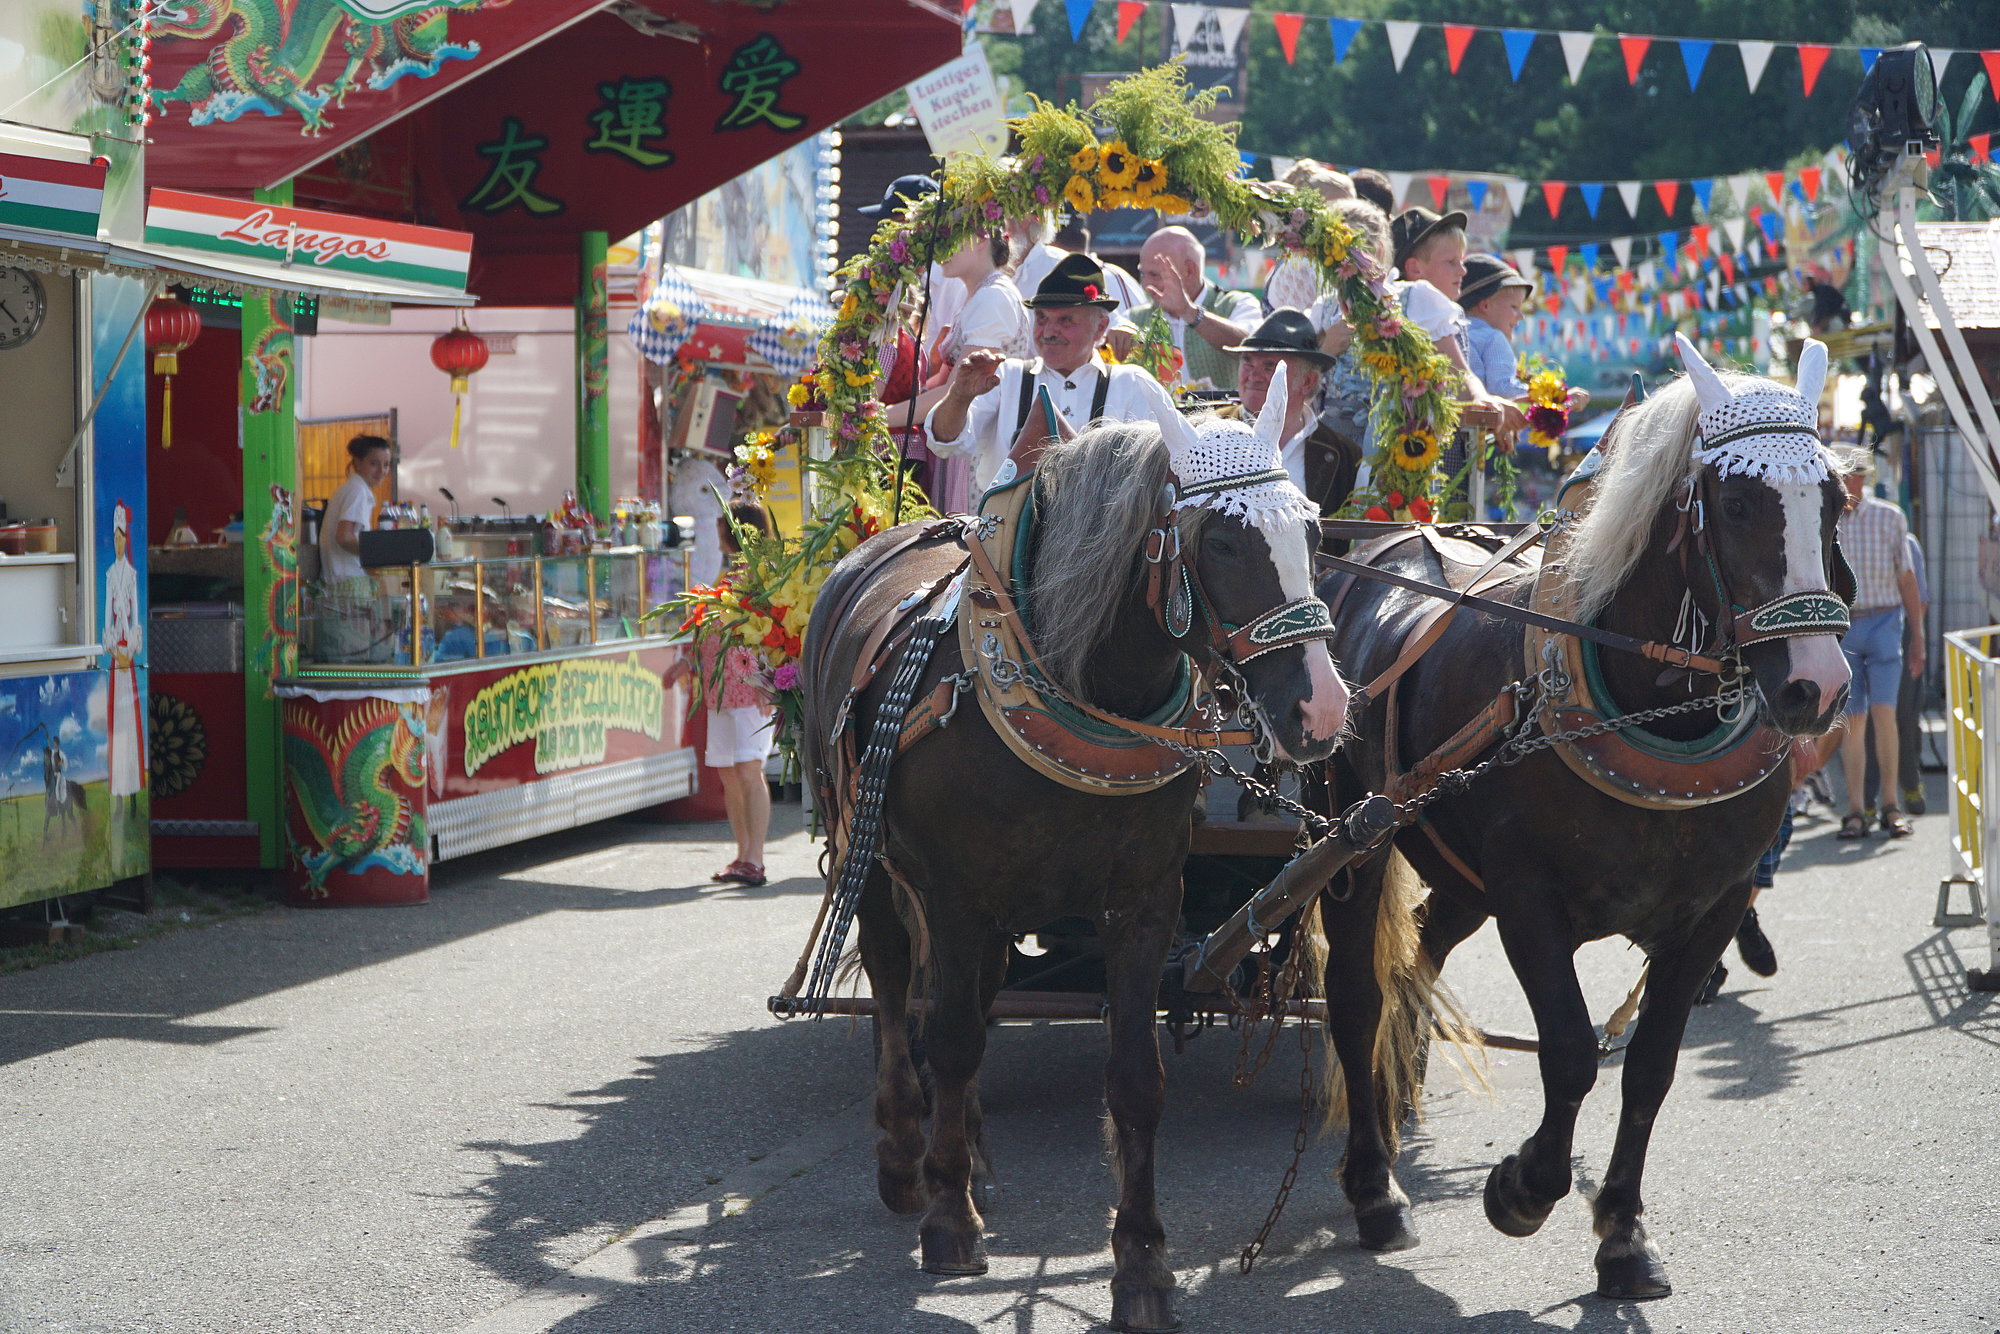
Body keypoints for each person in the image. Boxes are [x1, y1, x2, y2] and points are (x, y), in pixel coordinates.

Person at [925, 253, 1184, 498]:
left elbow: (1168, 462)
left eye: (1065, 320)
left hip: (1099, 539)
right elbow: (946, 443)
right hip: (1010, 536)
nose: (1049, 331)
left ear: (1100, 327)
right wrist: (958, 396)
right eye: (1042, 318)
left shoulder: (1132, 383)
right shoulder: (1006, 375)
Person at [667, 500, 778, 887]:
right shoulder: (732, 571)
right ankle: (742, 854)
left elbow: (772, 630)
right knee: (730, 773)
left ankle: (756, 859)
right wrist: (691, 664)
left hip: (750, 688)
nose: (717, 535)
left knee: (749, 769)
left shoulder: (763, 573)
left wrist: (773, 681)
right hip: (720, 687)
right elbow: (715, 628)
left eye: (721, 528)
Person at [1834, 449, 1925, 839]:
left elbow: (1906, 579)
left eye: (1852, 475)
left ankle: (1890, 803)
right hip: (1847, 626)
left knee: (1885, 715)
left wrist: (1918, 637)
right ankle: (1856, 807)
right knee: (1854, 721)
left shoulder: (1889, 516)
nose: (1848, 483)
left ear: (1862, 479)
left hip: (1886, 620)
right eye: (1843, 476)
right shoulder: (1831, 518)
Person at [1227, 309, 1356, 515]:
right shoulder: (1211, 431)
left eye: (1270, 366)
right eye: (1247, 361)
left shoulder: (1343, 455)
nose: (1254, 375)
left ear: (1307, 381)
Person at [1125, 226, 1262, 391]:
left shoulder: (1237, 304)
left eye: (1155, 275)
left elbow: (1252, 347)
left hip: (1225, 417)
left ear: (1189, 270)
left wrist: (1189, 312)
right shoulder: (1132, 318)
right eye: (1142, 274)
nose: (1146, 285)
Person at [859, 174, 963, 358]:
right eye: (886, 225)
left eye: (897, 223)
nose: (889, 233)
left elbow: (949, 349)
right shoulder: (895, 271)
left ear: (923, 222)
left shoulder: (951, 274)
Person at [318, 434, 392, 661]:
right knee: (354, 664)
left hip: (341, 587)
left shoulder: (350, 489)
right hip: (349, 590)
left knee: (348, 660)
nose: (381, 471)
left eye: (386, 465)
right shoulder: (357, 491)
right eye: (374, 463)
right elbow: (344, 537)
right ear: (357, 462)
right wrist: (376, 554)